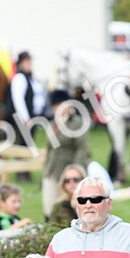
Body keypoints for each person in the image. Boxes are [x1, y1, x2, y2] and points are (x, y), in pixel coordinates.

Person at [41, 91, 91, 220]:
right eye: (55, 105)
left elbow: (81, 148)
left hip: (68, 173)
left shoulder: (77, 123)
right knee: (49, 206)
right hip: (51, 171)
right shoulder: (53, 123)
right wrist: (46, 167)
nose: (58, 108)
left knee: (69, 206)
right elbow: (49, 149)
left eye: (61, 104)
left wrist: (76, 170)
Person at [8, 51, 48, 151]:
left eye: (30, 61)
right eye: (26, 61)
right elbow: (18, 99)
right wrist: (25, 117)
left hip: (33, 116)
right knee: (23, 146)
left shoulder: (31, 78)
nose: (29, 63)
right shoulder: (20, 78)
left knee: (29, 145)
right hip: (25, 119)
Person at [47, 162, 86, 227]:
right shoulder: (58, 206)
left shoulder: (93, 202)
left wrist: (77, 208)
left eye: (76, 179)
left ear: (83, 180)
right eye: (67, 180)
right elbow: (52, 229)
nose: (71, 183)